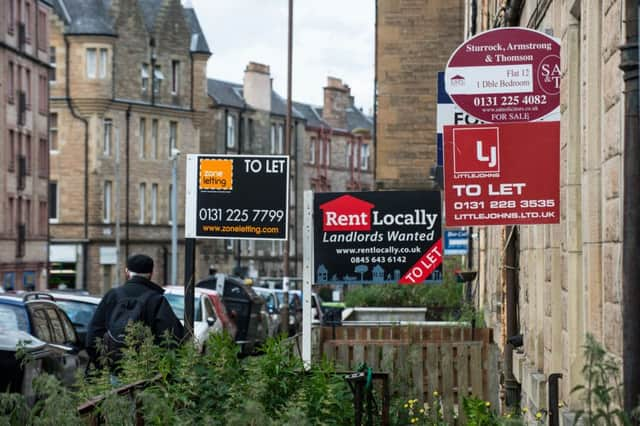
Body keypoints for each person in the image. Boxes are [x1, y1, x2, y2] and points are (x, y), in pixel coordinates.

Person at [86, 254, 185, 367]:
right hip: (146, 372)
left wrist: (104, 366)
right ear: (151, 274)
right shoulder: (156, 299)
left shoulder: (112, 296)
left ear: (127, 272)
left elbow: (93, 335)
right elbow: (174, 338)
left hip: (113, 372)